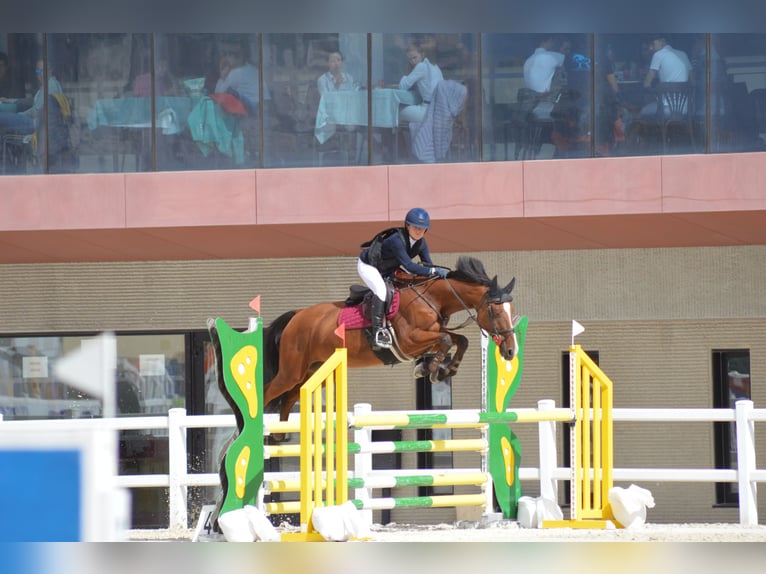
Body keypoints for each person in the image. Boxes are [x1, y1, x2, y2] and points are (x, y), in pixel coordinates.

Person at [357, 207, 447, 349]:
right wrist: (434, 270)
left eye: (422, 228)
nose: (419, 231)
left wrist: (438, 275)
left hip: (388, 268)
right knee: (381, 291)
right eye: (416, 227)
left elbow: (428, 265)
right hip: (369, 266)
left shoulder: (421, 243)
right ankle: (378, 331)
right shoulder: (396, 240)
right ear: (407, 225)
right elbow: (409, 266)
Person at [0, 58, 63, 137]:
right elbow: (32, 101)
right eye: (38, 71)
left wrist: (21, 115)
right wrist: (10, 101)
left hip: (35, 124)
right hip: (35, 122)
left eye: (43, 70)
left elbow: (36, 111)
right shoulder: (50, 84)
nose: (41, 74)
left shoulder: (50, 86)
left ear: (50, 70)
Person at [640, 36, 692, 117]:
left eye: (653, 44)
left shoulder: (658, 55)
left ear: (662, 42)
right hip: (686, 108)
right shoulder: (683, 54)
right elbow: (692, 80)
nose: (650, 48)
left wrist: (655, 93)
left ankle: (659, 129)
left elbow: (646, 83)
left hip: (666, 109)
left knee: (642, 111)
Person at [398, 42, 444, 124]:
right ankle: (402, 135)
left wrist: (407, 71)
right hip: (439, 110)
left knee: (396, 111)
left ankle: (398, 136)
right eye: (410, 59)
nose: (413, 61)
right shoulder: (434, 67)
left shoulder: (421, 66)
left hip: (428, 110)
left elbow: (403, 86)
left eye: (415, 57)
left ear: (422, 55)